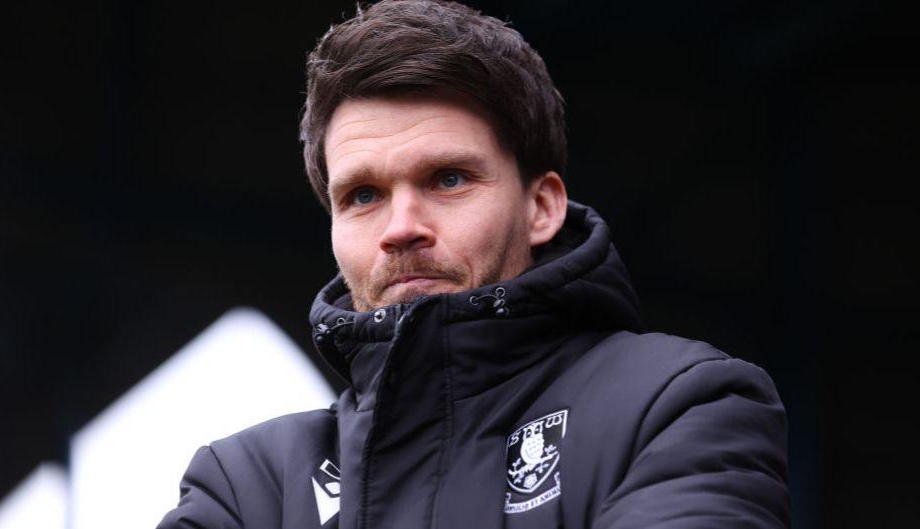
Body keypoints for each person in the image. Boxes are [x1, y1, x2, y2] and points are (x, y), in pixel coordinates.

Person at [158, 1, 789, 528]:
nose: (401, 228)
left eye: (449, 178)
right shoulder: (247, 486)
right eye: (363, 196)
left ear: (541, 206)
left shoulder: (679, 405)